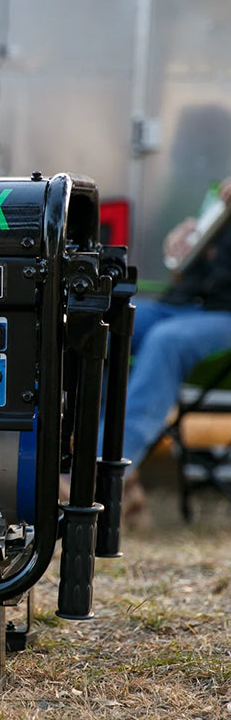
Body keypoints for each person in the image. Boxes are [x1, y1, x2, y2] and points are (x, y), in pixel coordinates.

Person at [119, 176, 231, 525]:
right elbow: (198, 262)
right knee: (105, 323)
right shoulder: (220, 190)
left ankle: (110, 469)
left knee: (167, 341)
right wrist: (187, 244)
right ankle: (92, 464)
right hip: (186, 302)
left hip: (223, 314)